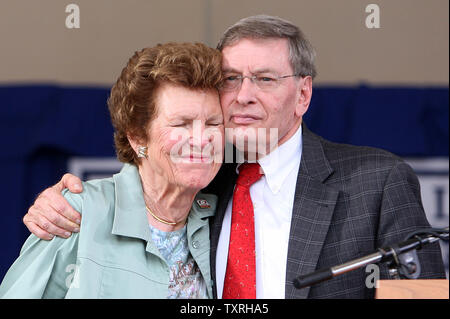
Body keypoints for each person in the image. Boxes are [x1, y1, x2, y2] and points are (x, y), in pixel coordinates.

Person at [21, 15, 445, 299]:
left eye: (264, 78)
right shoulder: (200, 183)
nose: (243, 95)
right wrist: (60, 204)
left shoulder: (379, 181)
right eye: (231, 79)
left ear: (303, 94)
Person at [0, 42, 225, 298]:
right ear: (138, 138)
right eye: (181, 124)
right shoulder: (76, 213)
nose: (201, 139)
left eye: (213, 123)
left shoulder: (223, 216)